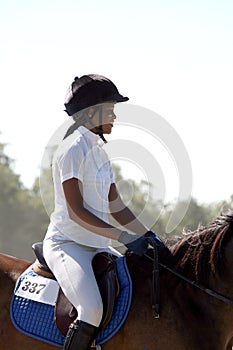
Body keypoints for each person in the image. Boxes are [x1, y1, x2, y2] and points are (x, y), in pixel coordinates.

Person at [43, 74, 166, 350]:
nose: (114, 116)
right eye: (110, 110)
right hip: (68, 246)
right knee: (91, 310)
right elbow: (76, 211)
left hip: (98, 246)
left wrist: (144, 233)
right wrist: (122, 237)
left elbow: (117, 207)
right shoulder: (72, 148)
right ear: (92, 112)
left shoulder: (99, 152)